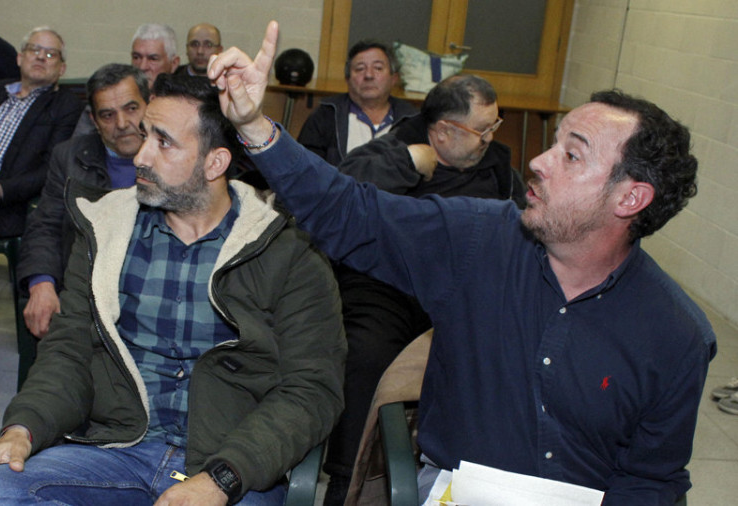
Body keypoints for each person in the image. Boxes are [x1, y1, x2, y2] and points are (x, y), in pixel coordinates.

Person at [209, 22, 717, 505]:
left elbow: (652, 479)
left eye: (572, 155)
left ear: (630, 198)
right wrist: (255, 126)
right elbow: (350, 212)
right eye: (555, 143)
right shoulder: (480, 240)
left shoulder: (675, 337)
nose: (538, 161)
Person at [0, 73, 345, 506]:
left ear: (214, 163)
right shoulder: (108, 229)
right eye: (145, 137)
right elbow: (69, 352)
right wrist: (22, 430)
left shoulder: (286, 249)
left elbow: (311, 390)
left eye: (164, 142)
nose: (141, 155)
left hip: (227, 463)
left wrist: (221, 479)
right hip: (120, 450)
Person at [320, 73, 526, 505]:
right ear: (444, 131)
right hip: (387, 287)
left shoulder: (499, 172)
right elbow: (338, 194)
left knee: (493, 362)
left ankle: (469, 482)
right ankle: (346, 481)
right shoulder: (396, 147)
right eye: (481, 130)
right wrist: (407, 164)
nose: (490, 138)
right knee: (366, 353)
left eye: (494, 126)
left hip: (461, 292)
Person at [17, 63, 149, 339]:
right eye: (108, 115)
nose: (122, 124)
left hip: (151, 289)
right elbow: (46, 226)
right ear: (94, 120)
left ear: (150, 105)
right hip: (85, 288)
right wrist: (41, 282)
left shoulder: (174, 157)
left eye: (131, 108)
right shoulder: (69, 157)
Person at [0, 26, 82, 240]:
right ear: (19, 58)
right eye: (34, 50)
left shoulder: (65, 106)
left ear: (62, 69)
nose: (41, 57)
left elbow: (51, 168)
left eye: (51, 54)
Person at [297, 40, 417, 167]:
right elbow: (304, 168)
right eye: (360, 69)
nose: (369, 75)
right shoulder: (325, 116)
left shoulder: (412, 120)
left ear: (394, 78)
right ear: (347, 79)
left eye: (378, 68)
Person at [131, 23, 180, 88]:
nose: (142, 67)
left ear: (174, 64)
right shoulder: (118, 96)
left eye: (153, 59)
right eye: (136, 58)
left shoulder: (185, 97)